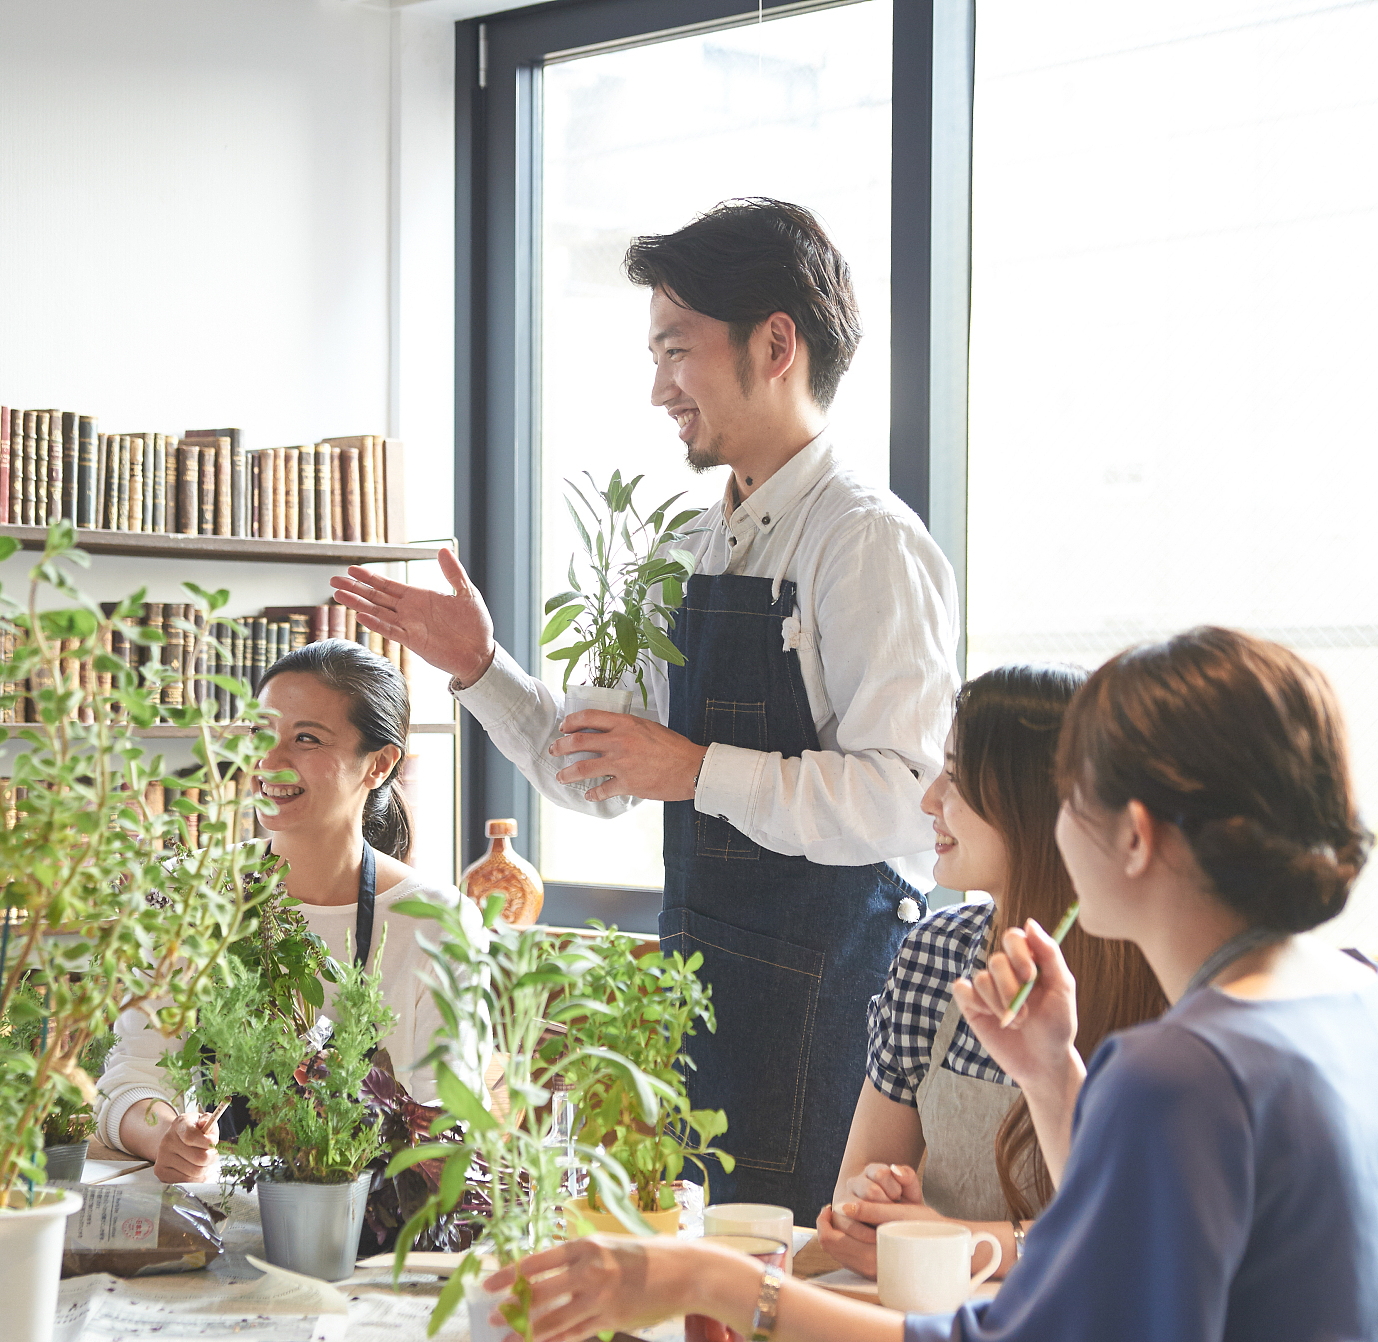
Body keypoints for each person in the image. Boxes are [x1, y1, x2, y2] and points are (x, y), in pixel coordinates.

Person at [476, 626, 1378, 1342]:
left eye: (1069, 793)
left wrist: (713, 1280)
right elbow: (1147, 1242)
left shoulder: (1183, 1067)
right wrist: (1051, 1071)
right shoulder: (1369, 1000)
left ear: (1130, 835)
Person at [334, 199, 960, 1222]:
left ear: (774, 343)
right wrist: (479, 665)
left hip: (833, 1002)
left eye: (675, 349)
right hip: (704, 995)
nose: (657, 386)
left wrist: (692, 768)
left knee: (797, 1293)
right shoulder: (681, 544)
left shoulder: (867, 545)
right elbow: (595, 774)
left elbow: (901, 803)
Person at [817, 665, 1167, 1278]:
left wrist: (948, 1242)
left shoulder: (1156, 976)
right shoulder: (933, 953)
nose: (930, 799)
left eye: (955, 775)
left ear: (1032, 800)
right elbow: (852, 1186)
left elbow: (1129, 1236)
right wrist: (871, 1206)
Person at [94, 639, 476, 1182]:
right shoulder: (194, 894)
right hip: (218, 1212)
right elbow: (133, 1073)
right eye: (259, 733)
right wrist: (166, 1136)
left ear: (380, 763)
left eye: (305, 739)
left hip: (367, 1223)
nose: (269, 762)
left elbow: (450, 1118)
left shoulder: (438, 921)